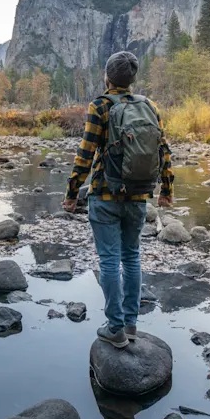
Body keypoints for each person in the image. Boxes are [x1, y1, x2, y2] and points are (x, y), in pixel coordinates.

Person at [63, 51, 174, 349]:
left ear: (107, 77)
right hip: (138, 196)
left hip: (105, 194)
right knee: (132, 256)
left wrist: (72, 193)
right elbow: (163, 150)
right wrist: (167, 190)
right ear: (132, 79)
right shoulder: (149, 106)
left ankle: (115, 328)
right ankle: (131, 323)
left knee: (110, 260)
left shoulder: (99, 106)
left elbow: (85, 154)